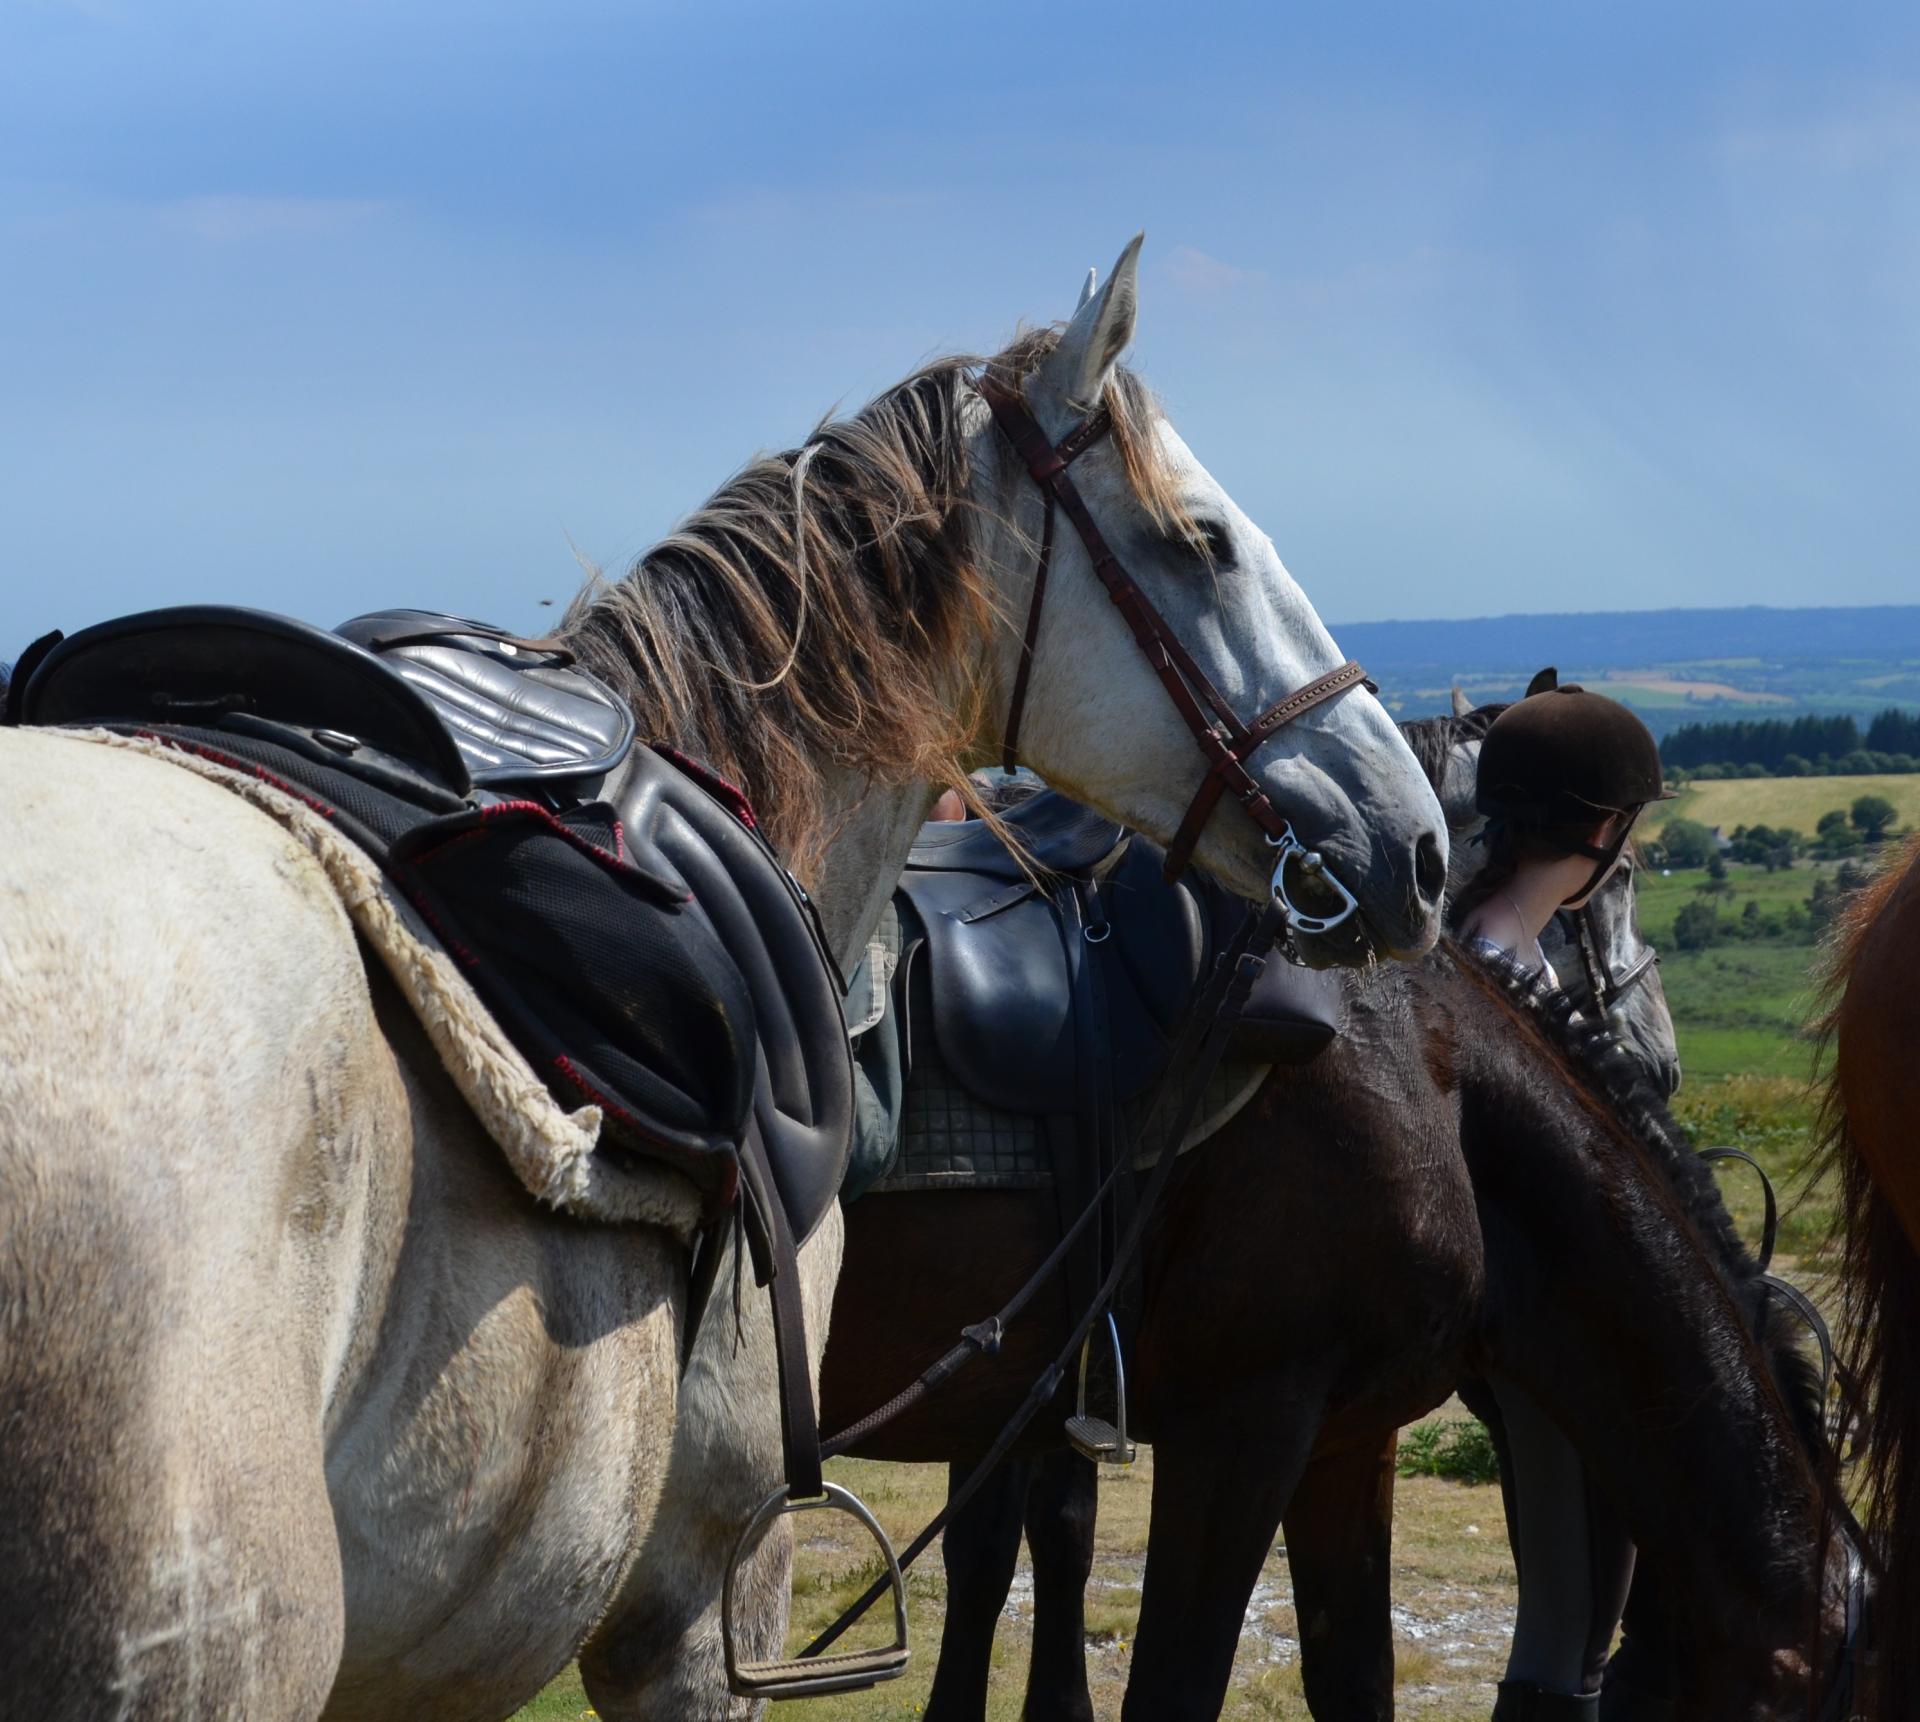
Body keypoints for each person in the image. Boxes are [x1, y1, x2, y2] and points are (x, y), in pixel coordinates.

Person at [1454, 681, 1676, 1721]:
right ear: (1603, 829)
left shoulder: (1512, 948)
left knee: (1580, 1615)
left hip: (1570, 1323)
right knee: (1560, 1625)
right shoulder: (1498, 968)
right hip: (1542, 1328)